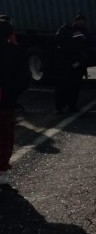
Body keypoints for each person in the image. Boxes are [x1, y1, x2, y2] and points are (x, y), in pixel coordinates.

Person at [0, 19, 30, 186]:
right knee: (4, 136)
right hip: (5, 102)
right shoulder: (15, 51)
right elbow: (24, 79)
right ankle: (2, 172)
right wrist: (12, 94)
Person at [54, 14, 90, 114]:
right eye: (80, 22)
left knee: (75, 86)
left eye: (84, 22)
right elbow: (61, 44)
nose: (82, 24)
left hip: (78, 63)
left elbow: (87, 44)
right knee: (63, 86)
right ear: (75, 21)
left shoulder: (84, 31)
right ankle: (60, 107)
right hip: (65, 63)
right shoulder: (65, 29)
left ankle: (72, 106)